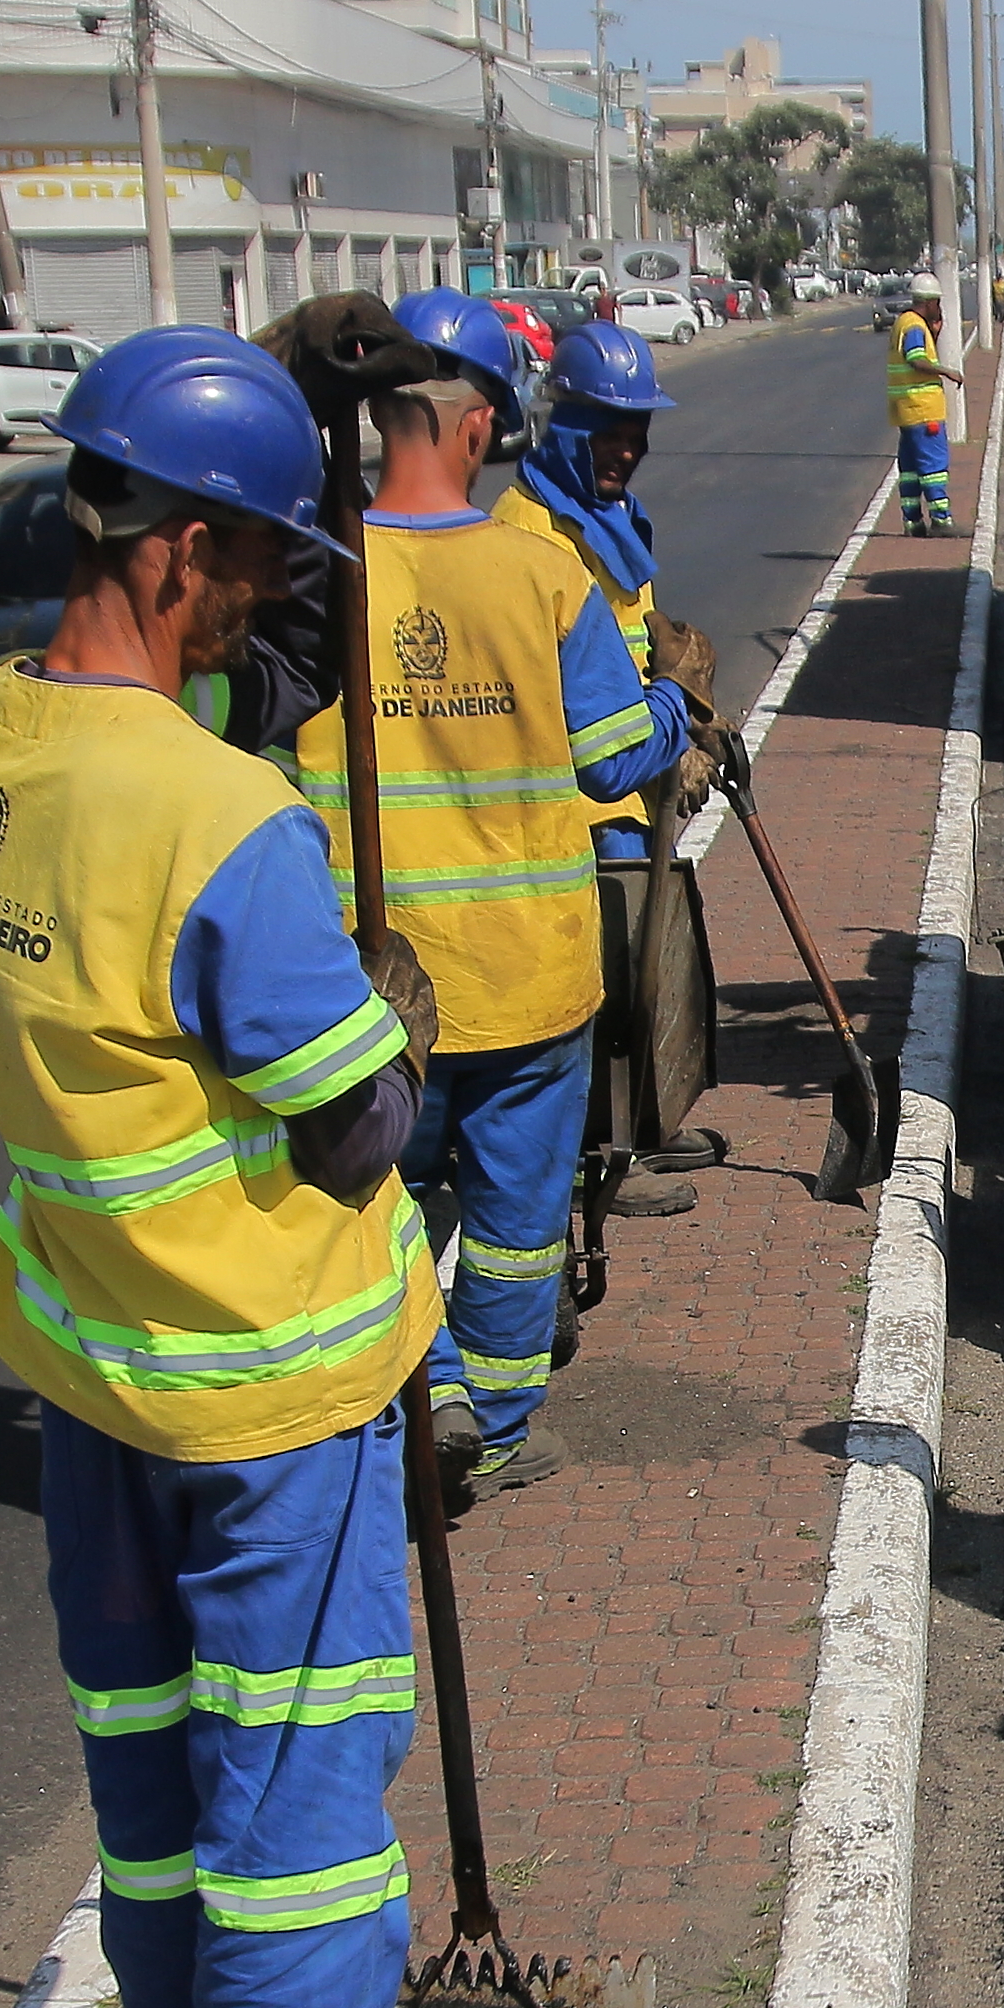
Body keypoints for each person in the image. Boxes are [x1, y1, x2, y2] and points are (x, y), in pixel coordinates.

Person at [0, 327, 475, 2008]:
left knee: (143, 1747)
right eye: (255, 572)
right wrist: (384, 1001)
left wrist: (247, 734)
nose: (269, 609)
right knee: (299, 1798)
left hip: (89, 1359)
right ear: (181, 555)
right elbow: (352, 1127)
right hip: (265, 1383)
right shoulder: (225, 825)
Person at [288, 287, 690, 1501]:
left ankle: (434, 1389)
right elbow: (620, 755)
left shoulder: (317, 576)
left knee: (382, 1208)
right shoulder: (540, 576)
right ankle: (497, 1434)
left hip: (373, 984)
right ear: (477, 430)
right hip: (529, 979)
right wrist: (675, 696)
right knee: (519, 1232)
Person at [504, 311, 728, 1210]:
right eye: (607, 435)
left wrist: (686, 717)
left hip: (632, 773)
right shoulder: (528, 532)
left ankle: (648, 1128)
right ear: (561, 426)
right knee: (603, 988)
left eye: (636, 436)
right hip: (578, 796)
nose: (623, 452)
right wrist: (670, 719)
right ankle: (608, 1156)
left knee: (656, 959)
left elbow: (636, 635)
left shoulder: (607, 517)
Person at [888, 278, 955, 534]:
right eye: (937, 303)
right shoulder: (915, 326)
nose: (939, 308)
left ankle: (912, 521)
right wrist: (947, 372)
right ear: (928, 303)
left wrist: (935, 335)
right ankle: (941, 519)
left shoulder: (903, 322)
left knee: (910, 469)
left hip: (905, 409)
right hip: (924, 410)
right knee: (933, 466)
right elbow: (916, 359)